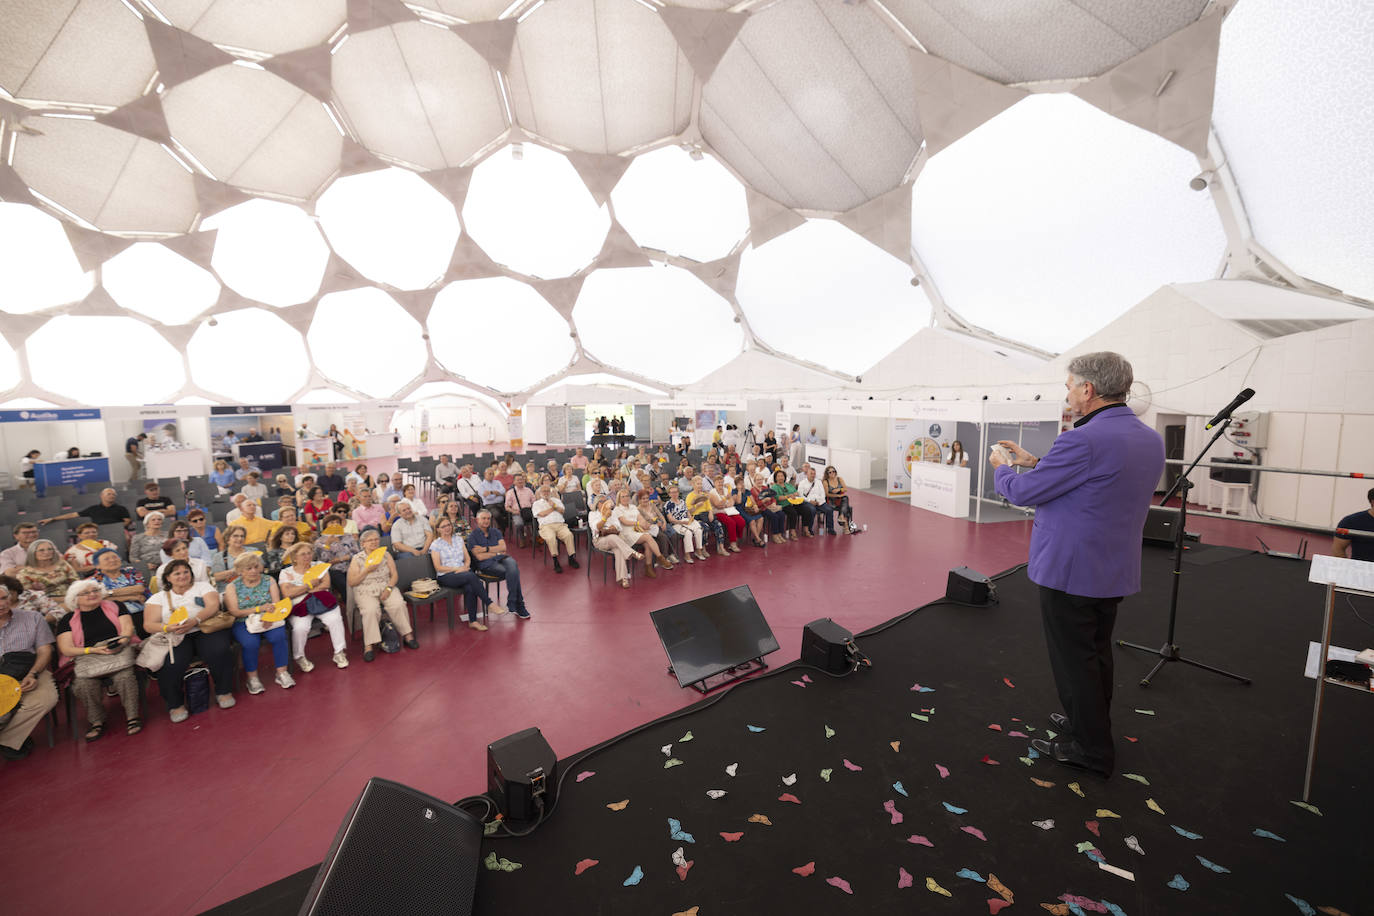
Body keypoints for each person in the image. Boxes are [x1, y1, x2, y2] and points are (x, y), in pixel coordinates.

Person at [991, 351, 1164, 779]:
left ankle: (1091, 749)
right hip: (1112, 566)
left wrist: (1003, 470)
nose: (1066, 392)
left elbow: (1025, 494)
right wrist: (1035, 462)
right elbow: (1096, 481)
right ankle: (1089, 725)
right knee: (1096, 654)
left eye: (1069, 385)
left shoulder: (1082, 440)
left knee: (1075, 661)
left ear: (1088, 389)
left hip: (1071, 570)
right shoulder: (1148, 438)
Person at [145, 559, 236, 721]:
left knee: (219, 650)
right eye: (177, 573)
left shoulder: (203, 587)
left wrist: (195, 621)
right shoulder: (158, 598)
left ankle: (223, 691)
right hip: (176, 635)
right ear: (167, 578)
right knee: (169, 663)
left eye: (186, 572)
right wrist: (168, 628)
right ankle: (175, 704)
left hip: (205, 628)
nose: (183, 576)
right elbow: (149, 625)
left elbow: (212, 606)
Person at [55, 579, 139, 741]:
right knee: (84, 684)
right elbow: (66, 649)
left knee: (124, 677)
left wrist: (122, 641)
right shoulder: (67, 620)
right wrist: (92, 650)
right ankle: (97, 720)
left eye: (95, 590)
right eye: (86, 593)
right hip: (87, 657)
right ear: (75, 599)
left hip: (118, 651)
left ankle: (132, 716)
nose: (92, 594)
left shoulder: (116, 606)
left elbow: (128, 629)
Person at [0, 581, 58, 760]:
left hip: (30, 669)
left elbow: (44, 650)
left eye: (3, 598)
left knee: (44, 700)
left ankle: (7, 740)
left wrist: (33, 674)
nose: (1, 604)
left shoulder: (33, 617)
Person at [224, 552, 292, 694]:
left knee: (278, 636)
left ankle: (282, 673)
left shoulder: (269, 580)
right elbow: (235, 612)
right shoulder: (232, 587)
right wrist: (258, 609)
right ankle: (252, 678)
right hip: (243, 620)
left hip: (269, 616)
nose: (254, 571)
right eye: (248, 568)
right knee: (250, 643)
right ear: (240, 571)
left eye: (256, 567)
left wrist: (269, 616)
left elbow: (276, 603)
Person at [348, 528, 417, 661]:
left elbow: (394, 574)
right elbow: (352, 582)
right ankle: (369, 645)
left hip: (386, 585)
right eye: (370, 540)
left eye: (376, 539)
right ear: (363, 543)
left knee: (398, 604)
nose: (374, 542)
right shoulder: (357, 559)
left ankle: (408, 636)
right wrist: (367, 570)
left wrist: (389, 589)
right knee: (370, 610)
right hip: (365, 588)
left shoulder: (385, 554)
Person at [277, 542, 348, 670]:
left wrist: (299, 589)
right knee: (300, 628)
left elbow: (326, 584)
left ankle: (339, 652)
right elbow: (287, 593)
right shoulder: (286, 572)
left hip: (322, 601)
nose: (307, 556)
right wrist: (310, 585)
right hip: (299, 605)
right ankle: (300, 657)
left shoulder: (319, 566)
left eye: (309, 553)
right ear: (294, 557)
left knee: (335, 620)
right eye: (303, 554)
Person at [430, 517, 491, 630]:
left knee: (470, 586)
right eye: (443, 526)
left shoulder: (458, 539)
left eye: (448, 525)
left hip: (462, 573)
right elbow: (438, 567)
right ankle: (488, 603)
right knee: (471, 576)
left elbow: (467, 559)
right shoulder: (436, 544)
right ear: (438, 529)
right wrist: (456, 569)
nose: (447, 528)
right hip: (446, 575)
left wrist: (465, 567)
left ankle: (472, 621)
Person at [468, 510, 529, 618]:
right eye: (483, 518)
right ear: (477, 520)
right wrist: (496, 552)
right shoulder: (472, 536)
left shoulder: (495, 531)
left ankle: (512, 602)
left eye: (488, 518)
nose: (486, 521)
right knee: (513, 572)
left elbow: (503, 548)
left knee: (513, 564)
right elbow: (479, 557)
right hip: (486, 565)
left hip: (503, 558)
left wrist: (485, 549)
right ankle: (519, 605)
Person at [19, 539, 79, 622]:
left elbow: (76, 582)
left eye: (50, 549)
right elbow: (28, 596)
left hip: (70, 597)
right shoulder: (25, 573)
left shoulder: (63, 564)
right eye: (41, 550)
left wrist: (72, 596)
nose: (47, 552)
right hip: (46, 604)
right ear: (33, 553)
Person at [90, 549, 147, 633]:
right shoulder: (94, 580)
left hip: (141, 610)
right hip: (114, 614)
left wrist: (108, 593)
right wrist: (131, 596)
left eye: (115, 557)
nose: (112, 560)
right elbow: (100, 599)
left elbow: (139, 589)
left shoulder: (131, 571)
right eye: (107, 559)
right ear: (97, 566)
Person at [591, 496, 642, 588]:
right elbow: (596, 528)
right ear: (597, 504)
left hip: (615, 540)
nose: (605, 504)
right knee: (613, 537)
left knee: (619, 550)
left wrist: (613, 527)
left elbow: (619, 527)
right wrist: (605, 518)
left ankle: (623, 579)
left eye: (606, 501)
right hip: (600, 540)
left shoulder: (612, 513)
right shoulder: (593, 514)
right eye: (602, 502)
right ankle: (632, 552)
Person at [531, 485, 578, 573]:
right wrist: (553, 508)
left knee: (569, 535)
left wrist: (555, 505)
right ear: (540, 493)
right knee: (551, 538)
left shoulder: (556, 501)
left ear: (551, 492)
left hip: (560, 525)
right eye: (544, 491)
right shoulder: (536, 503)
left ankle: (571, 558)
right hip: (546, 526)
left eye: (548, 491)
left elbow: (562, 511)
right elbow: (542, 514)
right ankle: (555, 561)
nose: (546, 493)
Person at [39, 487, 132, 529]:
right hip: (98, 531)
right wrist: (52, 519)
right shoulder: (93, 509)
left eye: (113, 494)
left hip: (117, 530)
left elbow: (127, 521)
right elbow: (72, 515)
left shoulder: (121, 508)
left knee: (127, 538)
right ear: (101, 496)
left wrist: (116, 528)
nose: (111, 496)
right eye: (109, 494)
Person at [663, 485, 706, 563]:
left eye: (676, 492)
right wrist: (682, 522)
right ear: (669, 494)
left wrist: (690, 518)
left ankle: (699, 550)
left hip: (686, 521)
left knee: (699, 530)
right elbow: (670, 519)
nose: (674, 494)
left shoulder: (682, 501)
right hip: (676, 524)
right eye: (672, 492)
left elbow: (687, 512)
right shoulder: (668, 504)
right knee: (688, 533)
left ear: (678, 492)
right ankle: (687, 554)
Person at [686, 475, 727, 556]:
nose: (700, 486)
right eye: (698, 484)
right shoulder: (690, 496)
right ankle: (702, 548)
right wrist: (696, 506)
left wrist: (711, 513)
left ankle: (721, 548)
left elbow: (709, 507)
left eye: (701, 484)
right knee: (705, 527)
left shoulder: (704, 494)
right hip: (696, 517)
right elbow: (689, 511)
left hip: (706, 515)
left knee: (718, 525)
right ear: (693, 485)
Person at [1332, 488, 1374, 562]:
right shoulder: (1351, 521)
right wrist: (1349, 569)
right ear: (1373, 502)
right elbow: (1338, 549)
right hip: (1362, 570)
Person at [210, 524, 252, 594]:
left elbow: (261, 569)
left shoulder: (253, 552)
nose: (240, 538)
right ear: (227, 539)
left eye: (242, 536)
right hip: (229, 590)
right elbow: (216, 577)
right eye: (235, 536)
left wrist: (228, 574)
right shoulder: (218, 556)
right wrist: (234, 571)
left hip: (252, 586)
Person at [708, 476, 745, 551]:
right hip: (718, 512)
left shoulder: (726, 490)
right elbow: (718, 505)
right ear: (714, 483)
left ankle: (736, 538)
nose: (720, 484)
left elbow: (731, 502)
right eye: (718, 482)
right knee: (731, 523)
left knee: (741, 521)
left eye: (721, 482)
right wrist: (726, 499)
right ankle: (733, 543)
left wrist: (728, 503)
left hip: (729, 510)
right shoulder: (712, 492)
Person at [797, 464, 836, 535]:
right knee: (812, 510)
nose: (813, 475)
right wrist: (810, 501)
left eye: (814, 474)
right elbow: (800, 496)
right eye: (811, 473)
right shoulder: (802, 483)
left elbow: (822, 493)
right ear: (807, 474)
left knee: (829, 510)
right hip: (807, 502)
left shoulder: (818, 482)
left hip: (819, 502)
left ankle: (830, 528)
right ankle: (809, 529)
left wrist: (819, 501)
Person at [770, 468, 804, 540]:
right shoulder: (774, 487)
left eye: (782, 476)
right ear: (775, 478)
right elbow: (777, 498)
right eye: (778, 476)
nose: (780, 478)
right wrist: (788, 496)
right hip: (783, 505)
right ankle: (792, 531)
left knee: (806, 509)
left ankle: (806, 528)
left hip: (793, 502)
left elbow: (796, 492)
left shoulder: (788, 485)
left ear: (784, 477)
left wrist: (795, 494)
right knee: (793, 512)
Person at [505, 472, 536, 547]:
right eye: (518, 480)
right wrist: (514, 511)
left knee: (538, 520)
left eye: (521, 479)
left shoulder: (529, 490)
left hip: (529, 511)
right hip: (517, 512)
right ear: (514, 482)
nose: (520, 481)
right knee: (519, 523)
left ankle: (535, 537)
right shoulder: (510, 492)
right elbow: (507, 507)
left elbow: (534, 502)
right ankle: (522, 538)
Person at [824, 466, 857, 534]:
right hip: (830, 500)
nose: (832, 473)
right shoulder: (825, 481)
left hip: (840, 499)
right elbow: (827, 494)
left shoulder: (839, 479)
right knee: (846, 506)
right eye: (830, 472)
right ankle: (845, 526)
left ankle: (841, 516)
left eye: (834, 471)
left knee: (845, 498)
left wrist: (838, 489)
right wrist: (837, 495)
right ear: (827, 474)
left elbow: (845, 488)